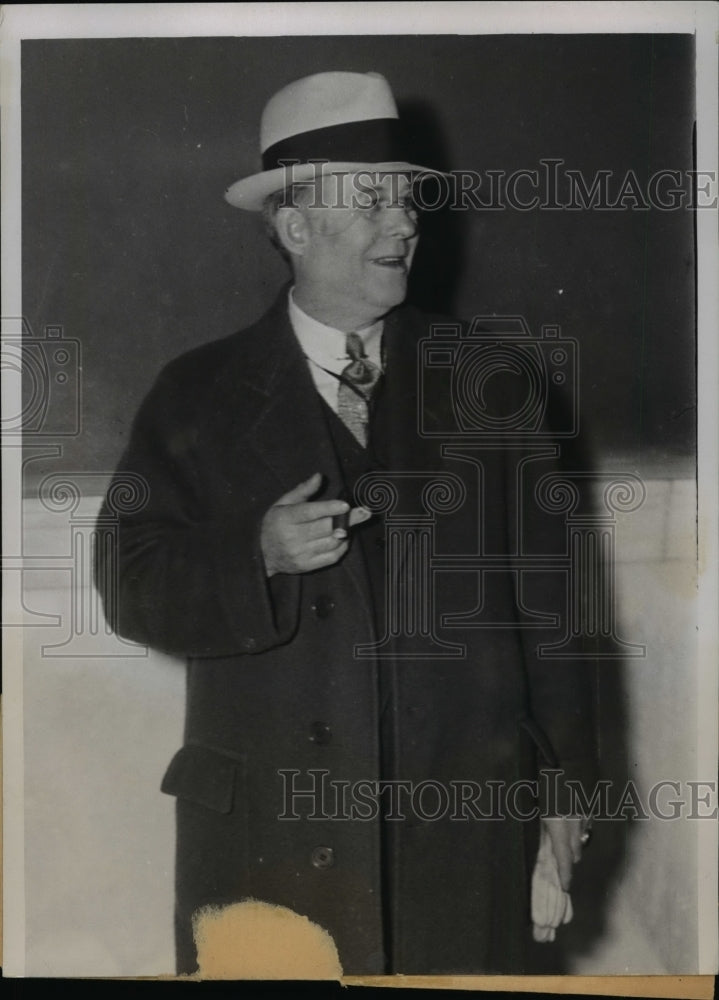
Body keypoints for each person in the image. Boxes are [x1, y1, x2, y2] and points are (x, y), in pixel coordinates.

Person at [95, 71, 597, 976]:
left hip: (460, 845)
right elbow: (129, 583)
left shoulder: (494, 385)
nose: (403, 223)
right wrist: (251, 554)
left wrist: (562, 802)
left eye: (407, 201)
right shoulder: (195, 394)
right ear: (295, 227)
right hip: (267, 847)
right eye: (371, 202)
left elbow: (556, 617)